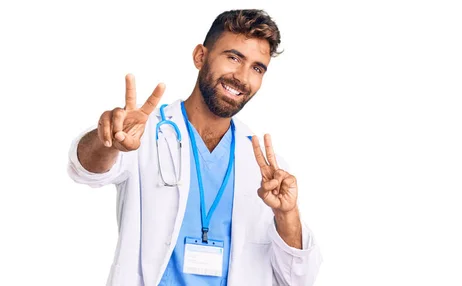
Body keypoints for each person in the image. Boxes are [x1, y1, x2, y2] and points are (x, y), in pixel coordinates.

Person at [67, 9, 322, 286]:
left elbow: (298, 279)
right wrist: (109, 141)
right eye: (234, 57)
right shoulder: (146, 134)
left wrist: (287, 214)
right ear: (200, 56)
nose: (242, 77)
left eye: (257, 68)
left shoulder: (264, 168)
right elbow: (84, 170)